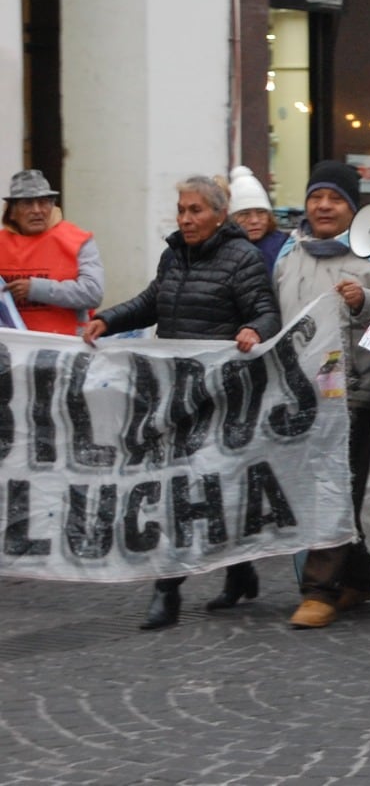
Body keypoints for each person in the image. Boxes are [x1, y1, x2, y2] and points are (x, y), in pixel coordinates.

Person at [83, 175, 282, 630]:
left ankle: (169, 591)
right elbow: (152, 302)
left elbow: (266, 312)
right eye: (181, 209)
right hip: (172, 394)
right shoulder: (174, 255)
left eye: (195, 210)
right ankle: (237, 572)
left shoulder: (243, 259)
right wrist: (107, 320)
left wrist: (254, 330)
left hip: (221, 399)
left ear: (218, 215)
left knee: (203, 490)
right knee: (178, 489)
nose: (186, 218)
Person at [273, 162, 370, 629]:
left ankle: (319, 590)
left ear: (353, 208)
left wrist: (363, 302)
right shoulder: (289, 257)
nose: (323, 206)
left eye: (335, 199)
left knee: (334, 488)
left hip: (353, 395)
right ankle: (358, 578)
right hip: (298, 395)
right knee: (317, 489)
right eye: (316, 197)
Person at [0, 169, 104, 335]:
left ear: (53, 206)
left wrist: (36, 289)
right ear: (11, 212)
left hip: (67, 348)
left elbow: (93, 293)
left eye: (43, 202)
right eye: (27, 204)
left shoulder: (77, 240)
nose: (37, 210)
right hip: (11, 352)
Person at [229, 165, 288, 269]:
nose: (254, 221)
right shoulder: (222, 251)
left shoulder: (284, 249)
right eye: (244, 214)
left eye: (261, 212)